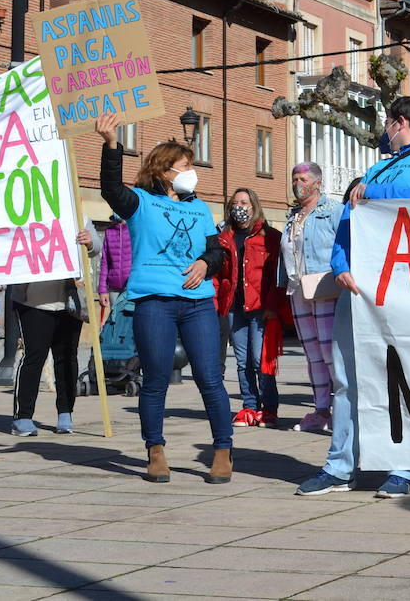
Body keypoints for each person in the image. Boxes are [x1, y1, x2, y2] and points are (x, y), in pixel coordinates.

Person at [296, 96, 410, 499]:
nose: (383, 132)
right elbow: (349, 224)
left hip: (407, 285)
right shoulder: (377, 166)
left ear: (400, 122)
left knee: (405, 378)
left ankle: (403, 468)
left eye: (387, 124)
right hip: (358, 286)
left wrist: (372, 188)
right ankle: (340, 466)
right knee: (346, 380)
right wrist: (340, 265)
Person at [94, 112, 230, 485]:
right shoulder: (140, 202)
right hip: (155, 302)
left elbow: (217, 251)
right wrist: (110, 145)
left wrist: (205, 262)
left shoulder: (200, 207)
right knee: (155, 380)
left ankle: (222, 451)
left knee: (210, 378)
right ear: (166, 170)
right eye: (186, 165)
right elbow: (110, 189)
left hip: (198, 302)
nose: (192, 171)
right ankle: (155, 450)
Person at [8, 228, 103, 436]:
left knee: (67, 357)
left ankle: (65, 412)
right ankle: (23, 416)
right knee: (34, 356)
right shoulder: (26, 212)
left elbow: (96, 247)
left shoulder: (76, 212)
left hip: (69, 302)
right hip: (33, 300)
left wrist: (89, 242)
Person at [278, 163, 342, 435]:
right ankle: (320, 409)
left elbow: (346, 245)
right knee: (313, 354)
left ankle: (342, 409)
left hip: (324, 286)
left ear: (317, 182)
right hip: (298, 288)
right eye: (294, 178)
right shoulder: (293, 216)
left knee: (330, 353)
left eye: (303, 178)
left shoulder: (333, 211)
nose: (297, 183)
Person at [217, 189, 284, 429]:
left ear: (254, 205)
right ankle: (249, 407)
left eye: (244, 202)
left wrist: (273, 306)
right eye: (235, 202)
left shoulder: (271, 237)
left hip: (260, 308)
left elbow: (278, 276)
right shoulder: (224, 237)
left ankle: (269, 408)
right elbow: (220, 275)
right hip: (234, 308)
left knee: (259, 360)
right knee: (242, 362)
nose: (239, 206)